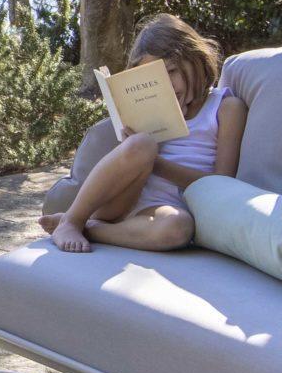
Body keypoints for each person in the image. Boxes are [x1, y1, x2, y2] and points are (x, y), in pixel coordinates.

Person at [46, 14, 246, 254]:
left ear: (196, 59)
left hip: (162, 214)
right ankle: (72, 220)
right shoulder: (150, 109)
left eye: (171, 71)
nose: (166, 85)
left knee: (178, 228)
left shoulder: (226, 108)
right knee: (142, 145)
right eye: (153, 80)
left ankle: (90, 229)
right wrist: (139, 146)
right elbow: (133, 159)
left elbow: (222, 184)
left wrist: (156, 164)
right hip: (123, 201)